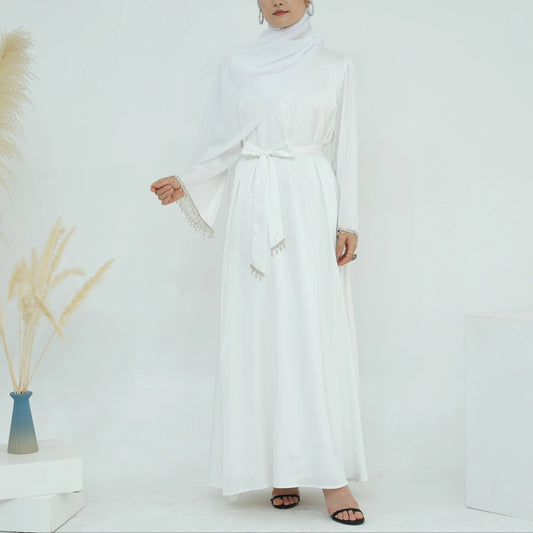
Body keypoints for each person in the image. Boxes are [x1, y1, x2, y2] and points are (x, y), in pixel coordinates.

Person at [150, 0, 367, 526]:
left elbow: (347, 147)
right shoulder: (237, 65)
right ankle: (279, 467)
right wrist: (188, 180)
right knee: (261, 330)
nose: (279, 0)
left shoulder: (335, 65)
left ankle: (331, 475)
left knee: (312, 331)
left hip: (309, 200)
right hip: (255, 200)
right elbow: (223, 143)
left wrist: (348, 220)